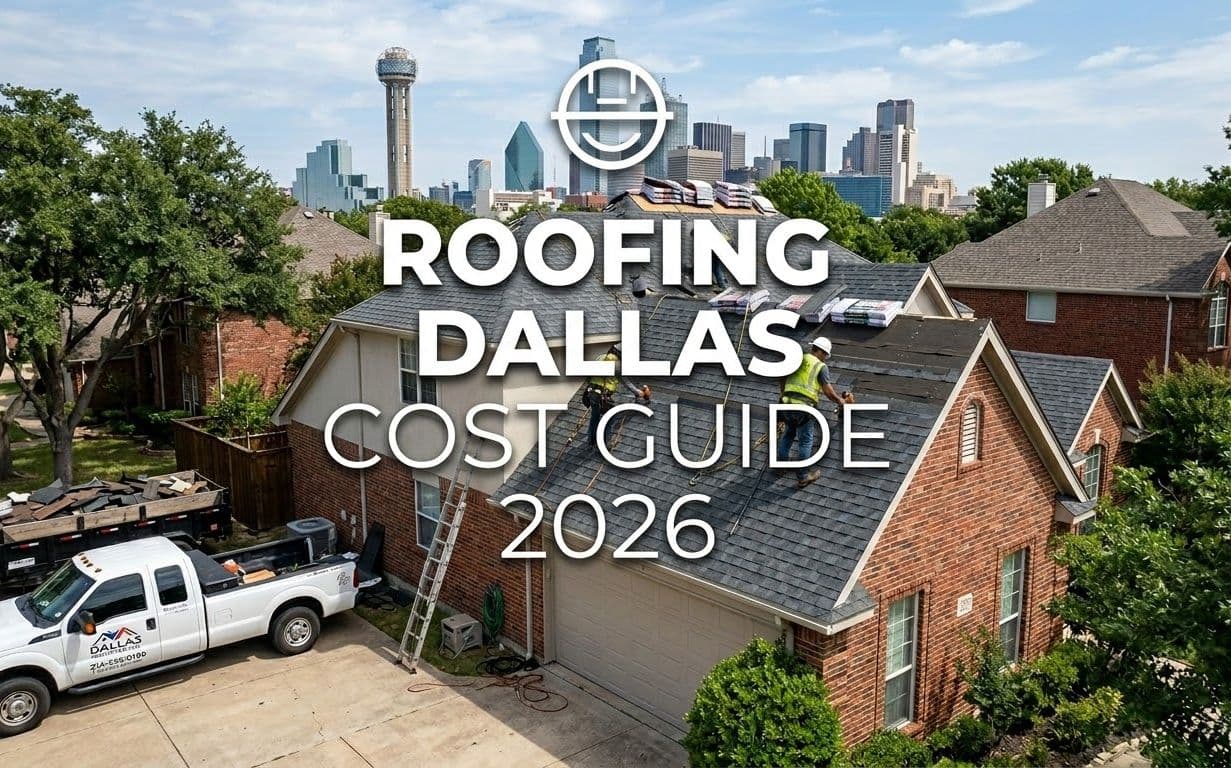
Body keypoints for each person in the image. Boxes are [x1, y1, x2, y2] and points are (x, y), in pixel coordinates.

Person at [778, 336, 854, 488]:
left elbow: (782, 377)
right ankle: (803, 476)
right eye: (825, 355)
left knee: (788, 434)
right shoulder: (820, 366)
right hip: (804, 409)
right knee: (805, 441)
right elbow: (828, 391)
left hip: (786, 403)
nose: (825, 358)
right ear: (822, 352)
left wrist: (784, 394)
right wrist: (841, 401)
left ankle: (781, 466)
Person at [583, 346, 649, 451]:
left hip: (591, 393)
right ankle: (604, 444)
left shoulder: (601, 357)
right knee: (610, 417)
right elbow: (626, 382)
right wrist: (638, 393)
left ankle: (591, 442)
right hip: (603, 395)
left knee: (595, 416)